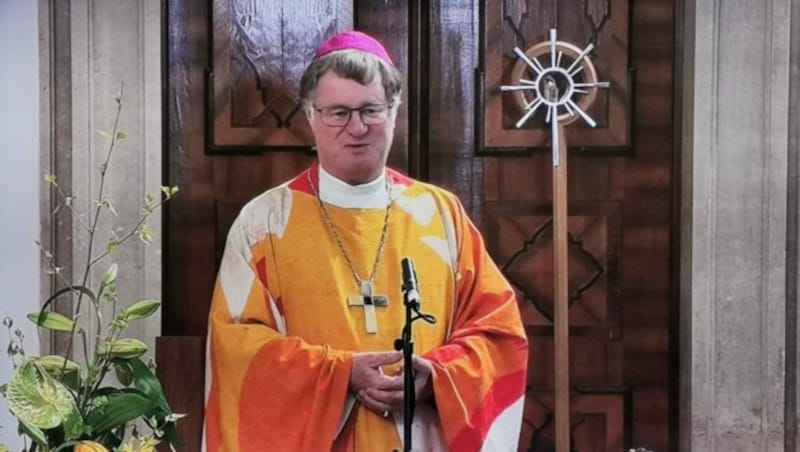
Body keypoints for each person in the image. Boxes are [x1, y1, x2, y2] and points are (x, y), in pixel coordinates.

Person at [204, 30, 528, 452]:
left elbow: (498, 335)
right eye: (338, 112)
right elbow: (237, 349)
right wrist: (341, 375)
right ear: (310, 116)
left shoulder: (441, 214)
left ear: (393, 113)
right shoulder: (264, 223)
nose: (357, 128)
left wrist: (437, 376)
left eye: (371, 110)